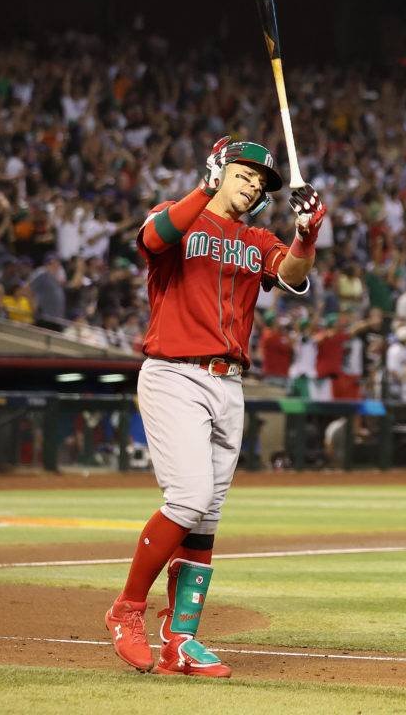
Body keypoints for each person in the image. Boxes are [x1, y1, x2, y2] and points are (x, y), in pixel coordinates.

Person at [105, 136, 324, 677]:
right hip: (176, 372)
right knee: (188, 498)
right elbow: (151, 238)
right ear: (217, 170)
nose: (252, 185)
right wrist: (203, 189)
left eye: (260, 181)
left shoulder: (256, 237)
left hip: (230, 385)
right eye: (244, 174)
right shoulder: (179, 217)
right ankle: (126, 610)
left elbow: (292, 276)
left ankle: (181, 641)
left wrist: (306, 235)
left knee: (206, 519)